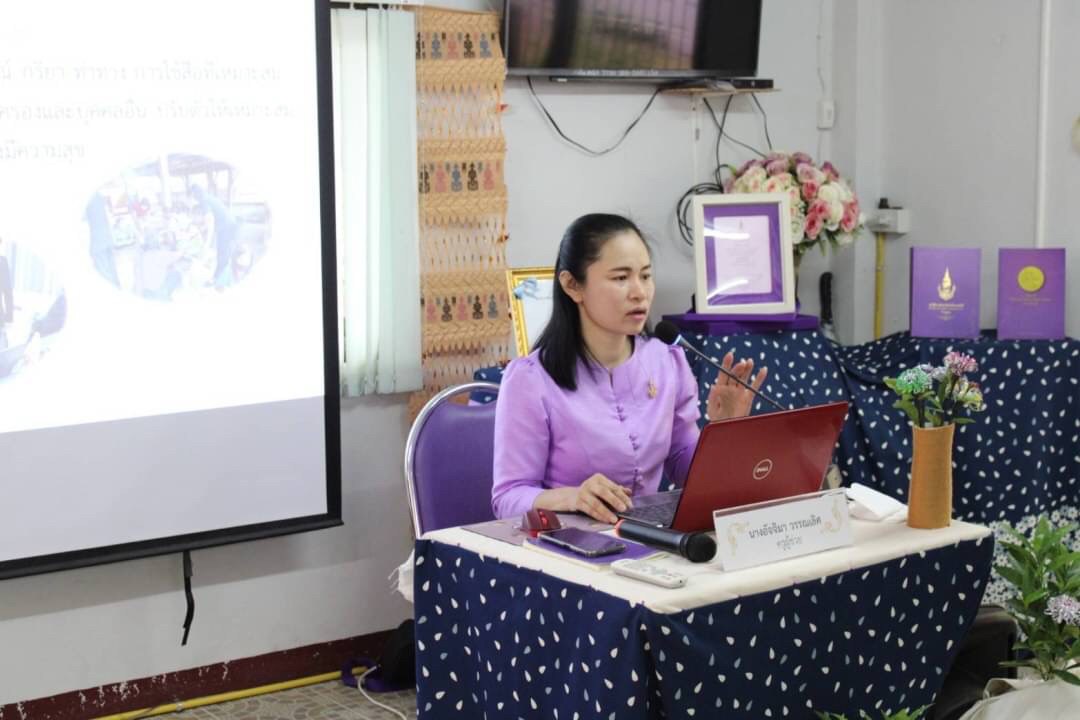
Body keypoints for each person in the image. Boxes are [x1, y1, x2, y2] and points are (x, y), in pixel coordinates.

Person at [491, 214, 768, 524]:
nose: (639, 292)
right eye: (621, 278)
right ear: (572, 285)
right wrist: (571, 497)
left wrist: (723, 432)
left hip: (651, 538)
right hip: (567, 543)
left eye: (645, 276)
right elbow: (508, 498)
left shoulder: (667, 361)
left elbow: (683, 467)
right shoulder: (531, 379)